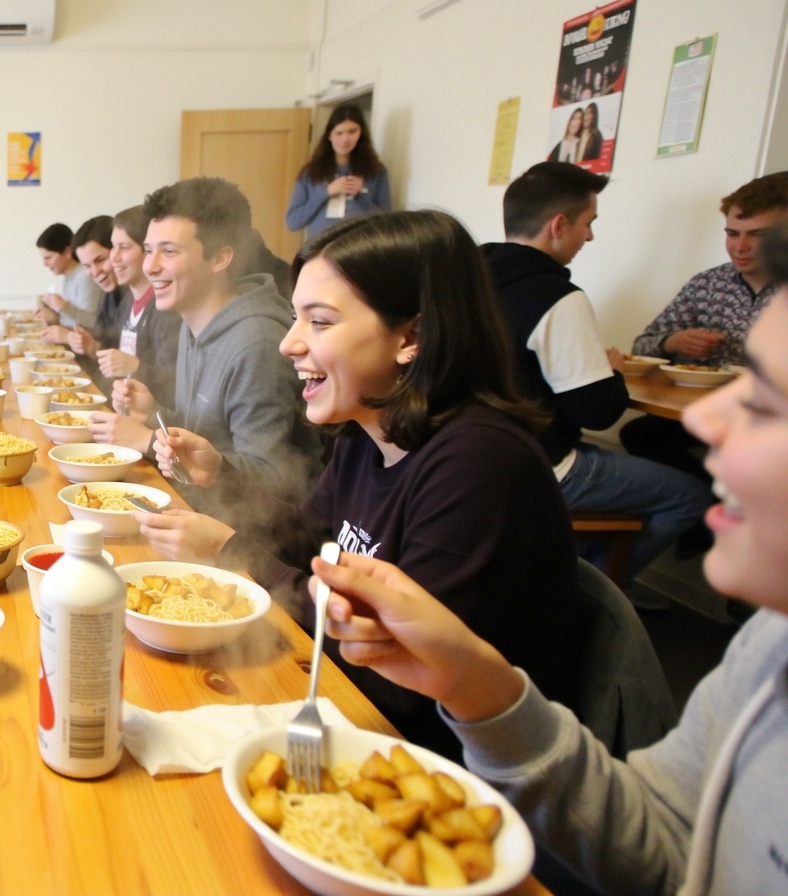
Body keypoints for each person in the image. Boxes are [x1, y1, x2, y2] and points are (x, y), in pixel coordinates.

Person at [307, 221, 788, 895]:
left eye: (767, 400)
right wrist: (481, 687)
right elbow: (669, 845)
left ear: (411, 336)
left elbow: (396, 705)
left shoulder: (479, 460)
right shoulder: (768, 645)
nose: (707, 422)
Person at [141, 210, 589, 760]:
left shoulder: (481, 466)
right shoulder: (366, 433)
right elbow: (307, 541)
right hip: (353, 705)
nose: (289, 344)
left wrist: (228, 549)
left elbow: (399, 679)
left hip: (442, 762)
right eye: (295, 318)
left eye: (320, 322)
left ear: (413, 336)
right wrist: (221, 478)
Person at [484, 162, 709, 582]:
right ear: (558, 225)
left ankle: (571, 569)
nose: (589, 236)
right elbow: (596, 412)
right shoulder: (556, 297)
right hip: (537, 465)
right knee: (692, 495)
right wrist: (612, 371)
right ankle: (589, 594)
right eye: (588, 223)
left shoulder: (468, 279)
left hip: (474, 455)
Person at [91, 177, 319, 515]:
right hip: (192, 506)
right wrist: (153, 414)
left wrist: (147, 440)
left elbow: (275, 481)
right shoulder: (193, 321)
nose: (149, 266)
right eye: (149, 250)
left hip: (240, 539)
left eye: (169, 251)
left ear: (220, 258)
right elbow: (202, 433)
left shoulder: (256, 344)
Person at [624, 172, 788, 483]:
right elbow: (641, 347)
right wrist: (673, 342)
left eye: (758, 235)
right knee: (641, 434)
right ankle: (707, 510)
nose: (740, 247)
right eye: (732, 233)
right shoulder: (709, 283)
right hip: (713, 412)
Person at [90, 205, 181, 397]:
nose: (113, 257)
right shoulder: (127, 299)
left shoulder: (166, 307)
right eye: (113, 246)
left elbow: (176, 384)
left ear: (147, 251)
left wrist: (135, 366)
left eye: (124, 247)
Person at [285, 103, 392, 243]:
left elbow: (387, 223)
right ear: (329, 135)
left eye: (352, 131)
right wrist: (326, 192)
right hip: (320, 251)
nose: (345, 139)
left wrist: (362, 194)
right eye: (339, 133)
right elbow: (293, 222)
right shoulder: (311, 173)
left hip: (360, 251)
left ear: (361, 133)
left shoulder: (376, 172)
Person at [64, 215, 128, 390]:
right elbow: (105, 349)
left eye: (100, 260)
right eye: (86, 266)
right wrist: (90, 345)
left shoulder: (144, 298)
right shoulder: (110, 295)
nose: (95, 272)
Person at [34, 222, 104, 338]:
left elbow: (92, 324)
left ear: (67, 252)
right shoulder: (68, 276)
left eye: (48, 257)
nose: (44, 264)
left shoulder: (85, 277)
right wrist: (53, 317)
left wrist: (64, 307)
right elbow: (71, 321)